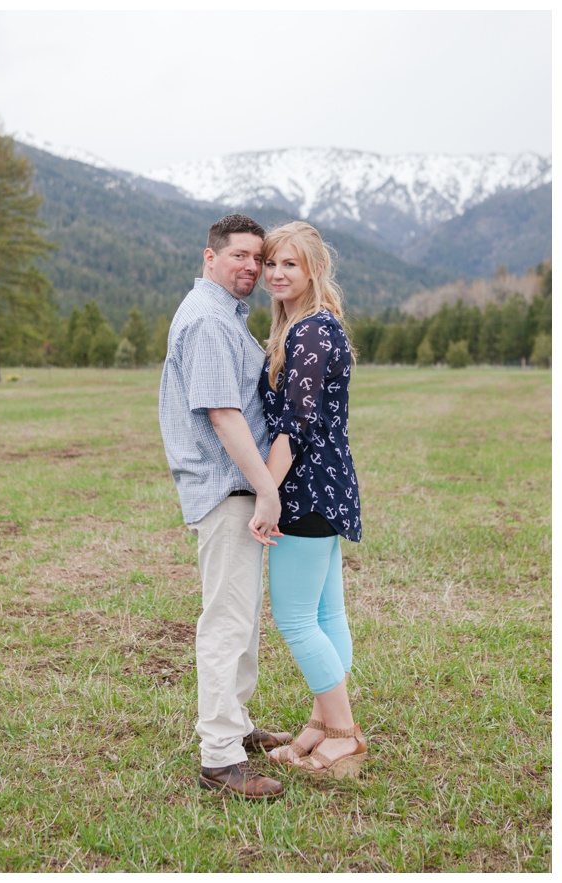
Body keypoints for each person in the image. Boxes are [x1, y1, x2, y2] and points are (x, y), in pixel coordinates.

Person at [158, 214, 293, 800]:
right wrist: (266, 486)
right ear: (209, 257)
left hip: (235, 485)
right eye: (239, 255)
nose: (251, 267)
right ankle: (219, 756)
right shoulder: (210, 321)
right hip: (228, 485)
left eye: (257, 259)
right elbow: (222, 413)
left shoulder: (222, 316)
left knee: (241, 619)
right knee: (226, 621)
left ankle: (234, 726)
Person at [254, 221, 368, 778]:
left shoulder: (311, 333)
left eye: (289, 265)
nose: (275, 273)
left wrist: (266, 493)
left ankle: (344, 734)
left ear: (314, 270)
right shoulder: (309, 327)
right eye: (271, 263)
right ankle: (321, 724)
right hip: (327, 483)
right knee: (326, 612)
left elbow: (295, 425)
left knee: (297, 619)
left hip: (306, 488)